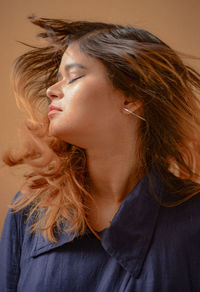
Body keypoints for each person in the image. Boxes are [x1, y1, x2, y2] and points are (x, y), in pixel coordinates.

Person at [1, 15, 200, 292]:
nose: (51, 91)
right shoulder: (30, 210)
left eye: (73, 77)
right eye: (57, 79)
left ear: (131, 96)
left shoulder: (193, 220)